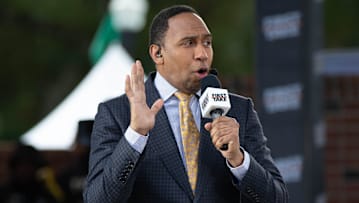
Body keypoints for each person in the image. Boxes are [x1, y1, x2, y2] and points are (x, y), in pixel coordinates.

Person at [83, 4, 288, 203]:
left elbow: (278, 198)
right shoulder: (117, 113)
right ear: (157, 53)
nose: (202, 54)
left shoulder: (239, 111)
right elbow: (98, 198)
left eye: (207, 43)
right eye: (189, 43)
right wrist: (136, 134)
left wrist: (239, 160)